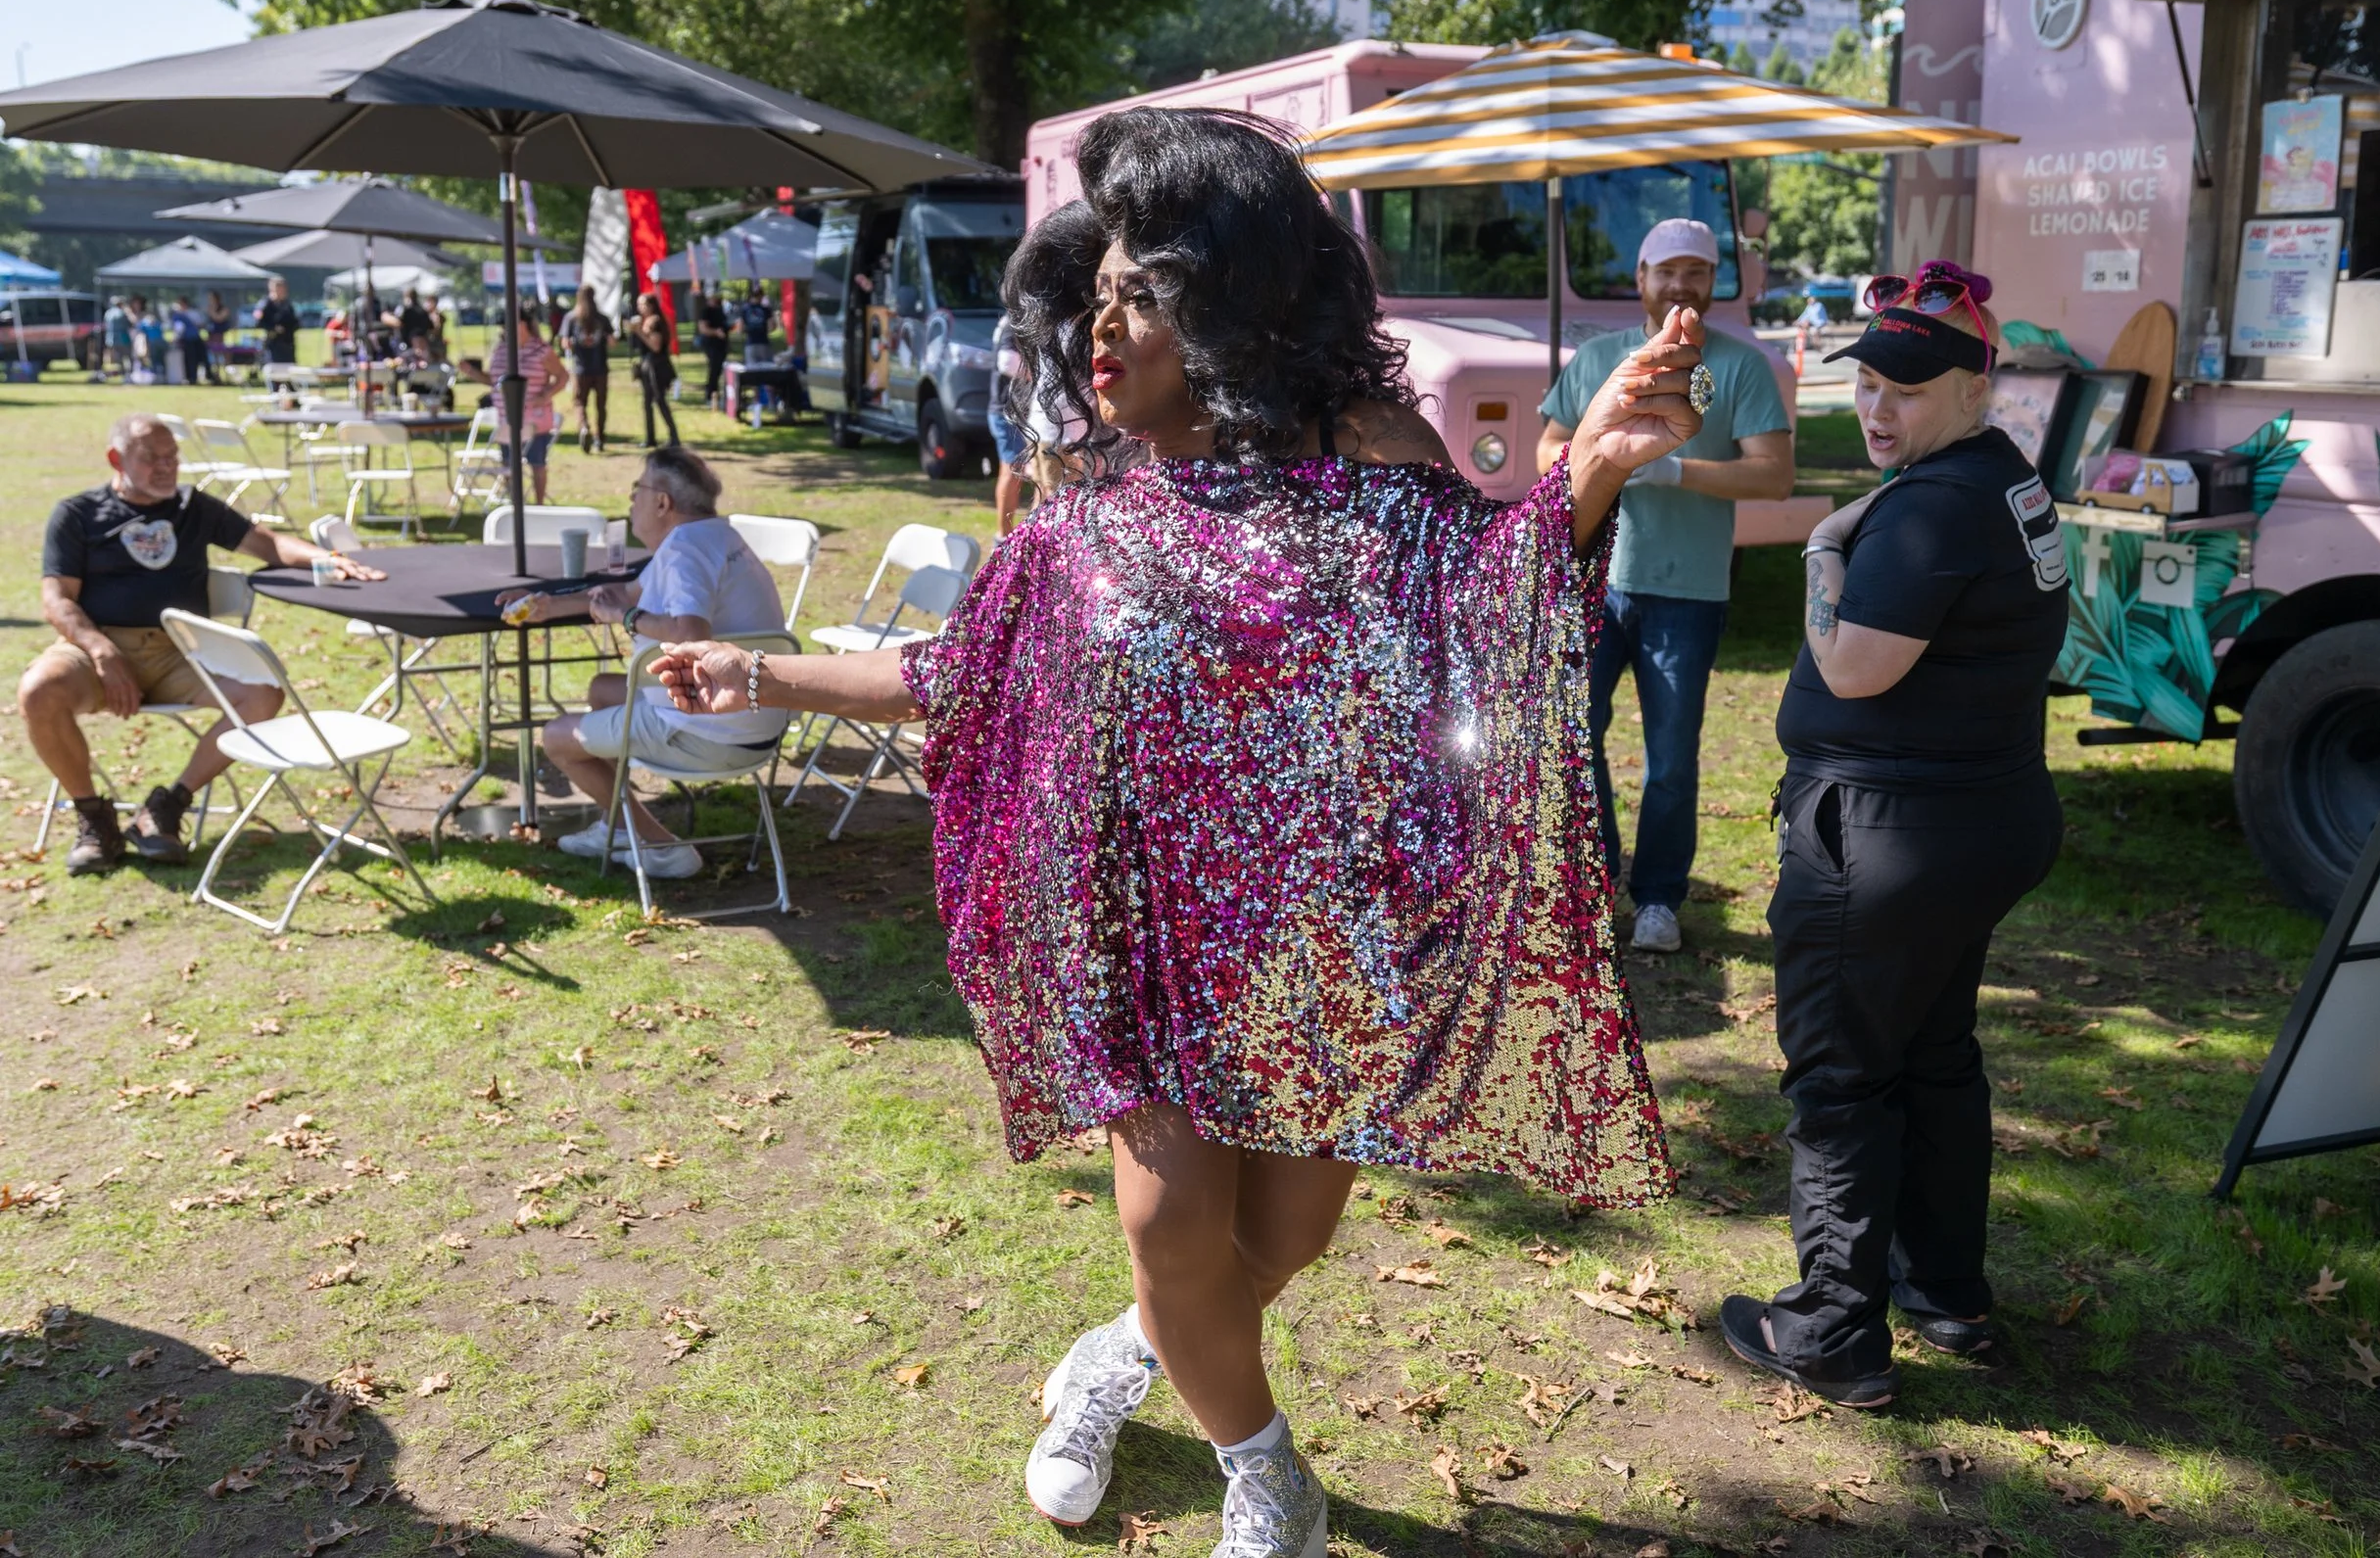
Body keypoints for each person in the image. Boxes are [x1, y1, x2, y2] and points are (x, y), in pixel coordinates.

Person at [647, 111, 1693, 1557]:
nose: (1102, 325)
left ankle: (1126, 1354)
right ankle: (1268, 1474)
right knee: (1168, 1230)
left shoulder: (1367, 467)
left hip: (1314, 943)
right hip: (1136, 938)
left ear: (1226, 301)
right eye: (1096, 295)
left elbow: (1480, 610)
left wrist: (1595, 478)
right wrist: (754, 671)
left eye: (1138, 292)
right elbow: (954, 674)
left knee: (1283, 1243)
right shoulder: (1087, 519)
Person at [1717, 261, 2070, 1409]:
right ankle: (1946, 1291)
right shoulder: (2005, 478)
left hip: (1885, 843)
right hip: (1972, 823)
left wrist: (1823, 549)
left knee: (1841, 1080)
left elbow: (1852, 665)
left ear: (1978, 383)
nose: (1877, 408)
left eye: (1907, 388)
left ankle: (1829, 1334)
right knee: (1931, 1055)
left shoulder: (1928, 506)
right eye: (1867, 382)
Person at [1536, 217, 1793, 954]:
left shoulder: (1737, 369)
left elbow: (1774, 474)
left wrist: (1676, 469)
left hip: (1688, 590)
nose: (1681, 285)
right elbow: (1548, 447)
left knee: (1672, 759)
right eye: (1667, 271)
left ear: (1714, 283)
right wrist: (1601, 463)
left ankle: (1657, 898)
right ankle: (1593, 882)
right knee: (1573, 739)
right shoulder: (1599, 360)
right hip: (1595, 581)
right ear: (1641, 278)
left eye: (1698, 272)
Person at [20, 414, 384, 877]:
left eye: (172, 457)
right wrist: (100, 650)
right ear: (116, 459)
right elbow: (56, 599)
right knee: (37, 692)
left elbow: (266, 543)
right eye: (150, 458)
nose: (165, 468)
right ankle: (95, 819)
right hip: (97, 651)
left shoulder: (194, 507)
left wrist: (329, 558)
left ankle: (167, 806)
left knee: (262, 690)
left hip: (181, 652)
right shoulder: (78, 514)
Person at [502, 445, 785, 880]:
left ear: (662, 502)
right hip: (757, 725)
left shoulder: (684, 551)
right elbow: (624, 594)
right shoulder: (715, 536)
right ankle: (616, 825)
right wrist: (543, 605)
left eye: (637, 489)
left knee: (557, 737)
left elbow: (692, 635)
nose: (630, 500)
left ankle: (656, 843)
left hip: (706, 732)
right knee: (603, 689)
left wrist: (627, 619)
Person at [487, 302, 568, 503]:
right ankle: (514, 501)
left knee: (537, 462)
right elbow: (493, 380)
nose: (505, 329)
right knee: (508, 462)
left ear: (523, 325)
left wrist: (545, 396)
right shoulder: (502, 349)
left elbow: (562, 376)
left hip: (534, 419)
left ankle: (538, 503)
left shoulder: (540, 349)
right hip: (507, 417)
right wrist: (471, 372)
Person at [987, 310, 1034, 537]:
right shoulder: (1014, 320)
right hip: (1007, 411)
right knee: (1011, 472)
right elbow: (1006, 361)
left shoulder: (1011, 319)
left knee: (1018, 472)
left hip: (1011, 411)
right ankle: (1003, 537)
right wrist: (1040, 376)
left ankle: (1008, 536)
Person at [560, 285, 613, 452]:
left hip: (581, 367)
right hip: (600, 367)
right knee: (601, 405)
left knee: (579, 402)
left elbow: (565, 343)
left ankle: (584, 427)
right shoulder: (602, 318)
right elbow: (612, 341)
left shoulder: (571, 318)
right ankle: (600, 438)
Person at [632, 292, 680, 448]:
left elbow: (655, 346)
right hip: (647, 365)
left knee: (660, 400)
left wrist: (639, 332)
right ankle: (650, 437)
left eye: (643, 304)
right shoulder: (646, 321)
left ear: (651, 306)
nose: (640, 308)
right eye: (639, 304)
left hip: (657, 366)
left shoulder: (656, 322)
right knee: (647, 403)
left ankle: (674, 436)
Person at [253, 278, 299, 367]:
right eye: (278, 288)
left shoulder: (288, 305)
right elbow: (258, 322)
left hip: (287, 343)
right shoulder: (265, 304)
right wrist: (273, 328)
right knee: (274, 369)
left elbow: (295, 322)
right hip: (272, 343)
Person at [694, 289, 729, 402]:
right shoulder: (706, 311)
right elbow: (703, 329)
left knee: (719, 370)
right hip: (711, 344)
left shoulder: (721, 311)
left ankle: (717, 393)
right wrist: (715, 332)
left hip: (722, 345)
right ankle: (710, 394)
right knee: (713, 370)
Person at [168, 297, 208, 386]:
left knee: (190, 360)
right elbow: (200, 325)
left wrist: (175, 338)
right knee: (196, 360)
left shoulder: (179, 316)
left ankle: (191, 378)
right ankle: (194, 378)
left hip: (188, 340)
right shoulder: (194, 313)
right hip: (196, 339)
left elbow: (179, 329)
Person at [393, 287, 436, 363]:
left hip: (410, 341)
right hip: (422, 339)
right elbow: (431, 327)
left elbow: (399, 324)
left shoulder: (406, 310)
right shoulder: (423, 311)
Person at [735, 286, 774, 366]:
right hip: (764, 342)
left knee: (751, 370)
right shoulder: (766, 309)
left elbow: (739, 329)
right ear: (761, 296)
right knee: (766, 368)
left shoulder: (744, 309)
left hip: (750, 342)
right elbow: (771, 327)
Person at [203, 291, 234, 383]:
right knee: (214, 358)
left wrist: (211, 311)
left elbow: (219, 318)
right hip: (211, 335)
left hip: (222, 336)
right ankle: (216, 376)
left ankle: (227, 377)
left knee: (226, 357)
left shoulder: (223, 308)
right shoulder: (209, 308)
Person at [103, 297, 133, 382]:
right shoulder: (122, 313)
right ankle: (128, 375)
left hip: (111, 340)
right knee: (127, 357)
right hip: (123, 338)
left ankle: (122, 374)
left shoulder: (108, 313)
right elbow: (130, 324)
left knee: (118, 359)